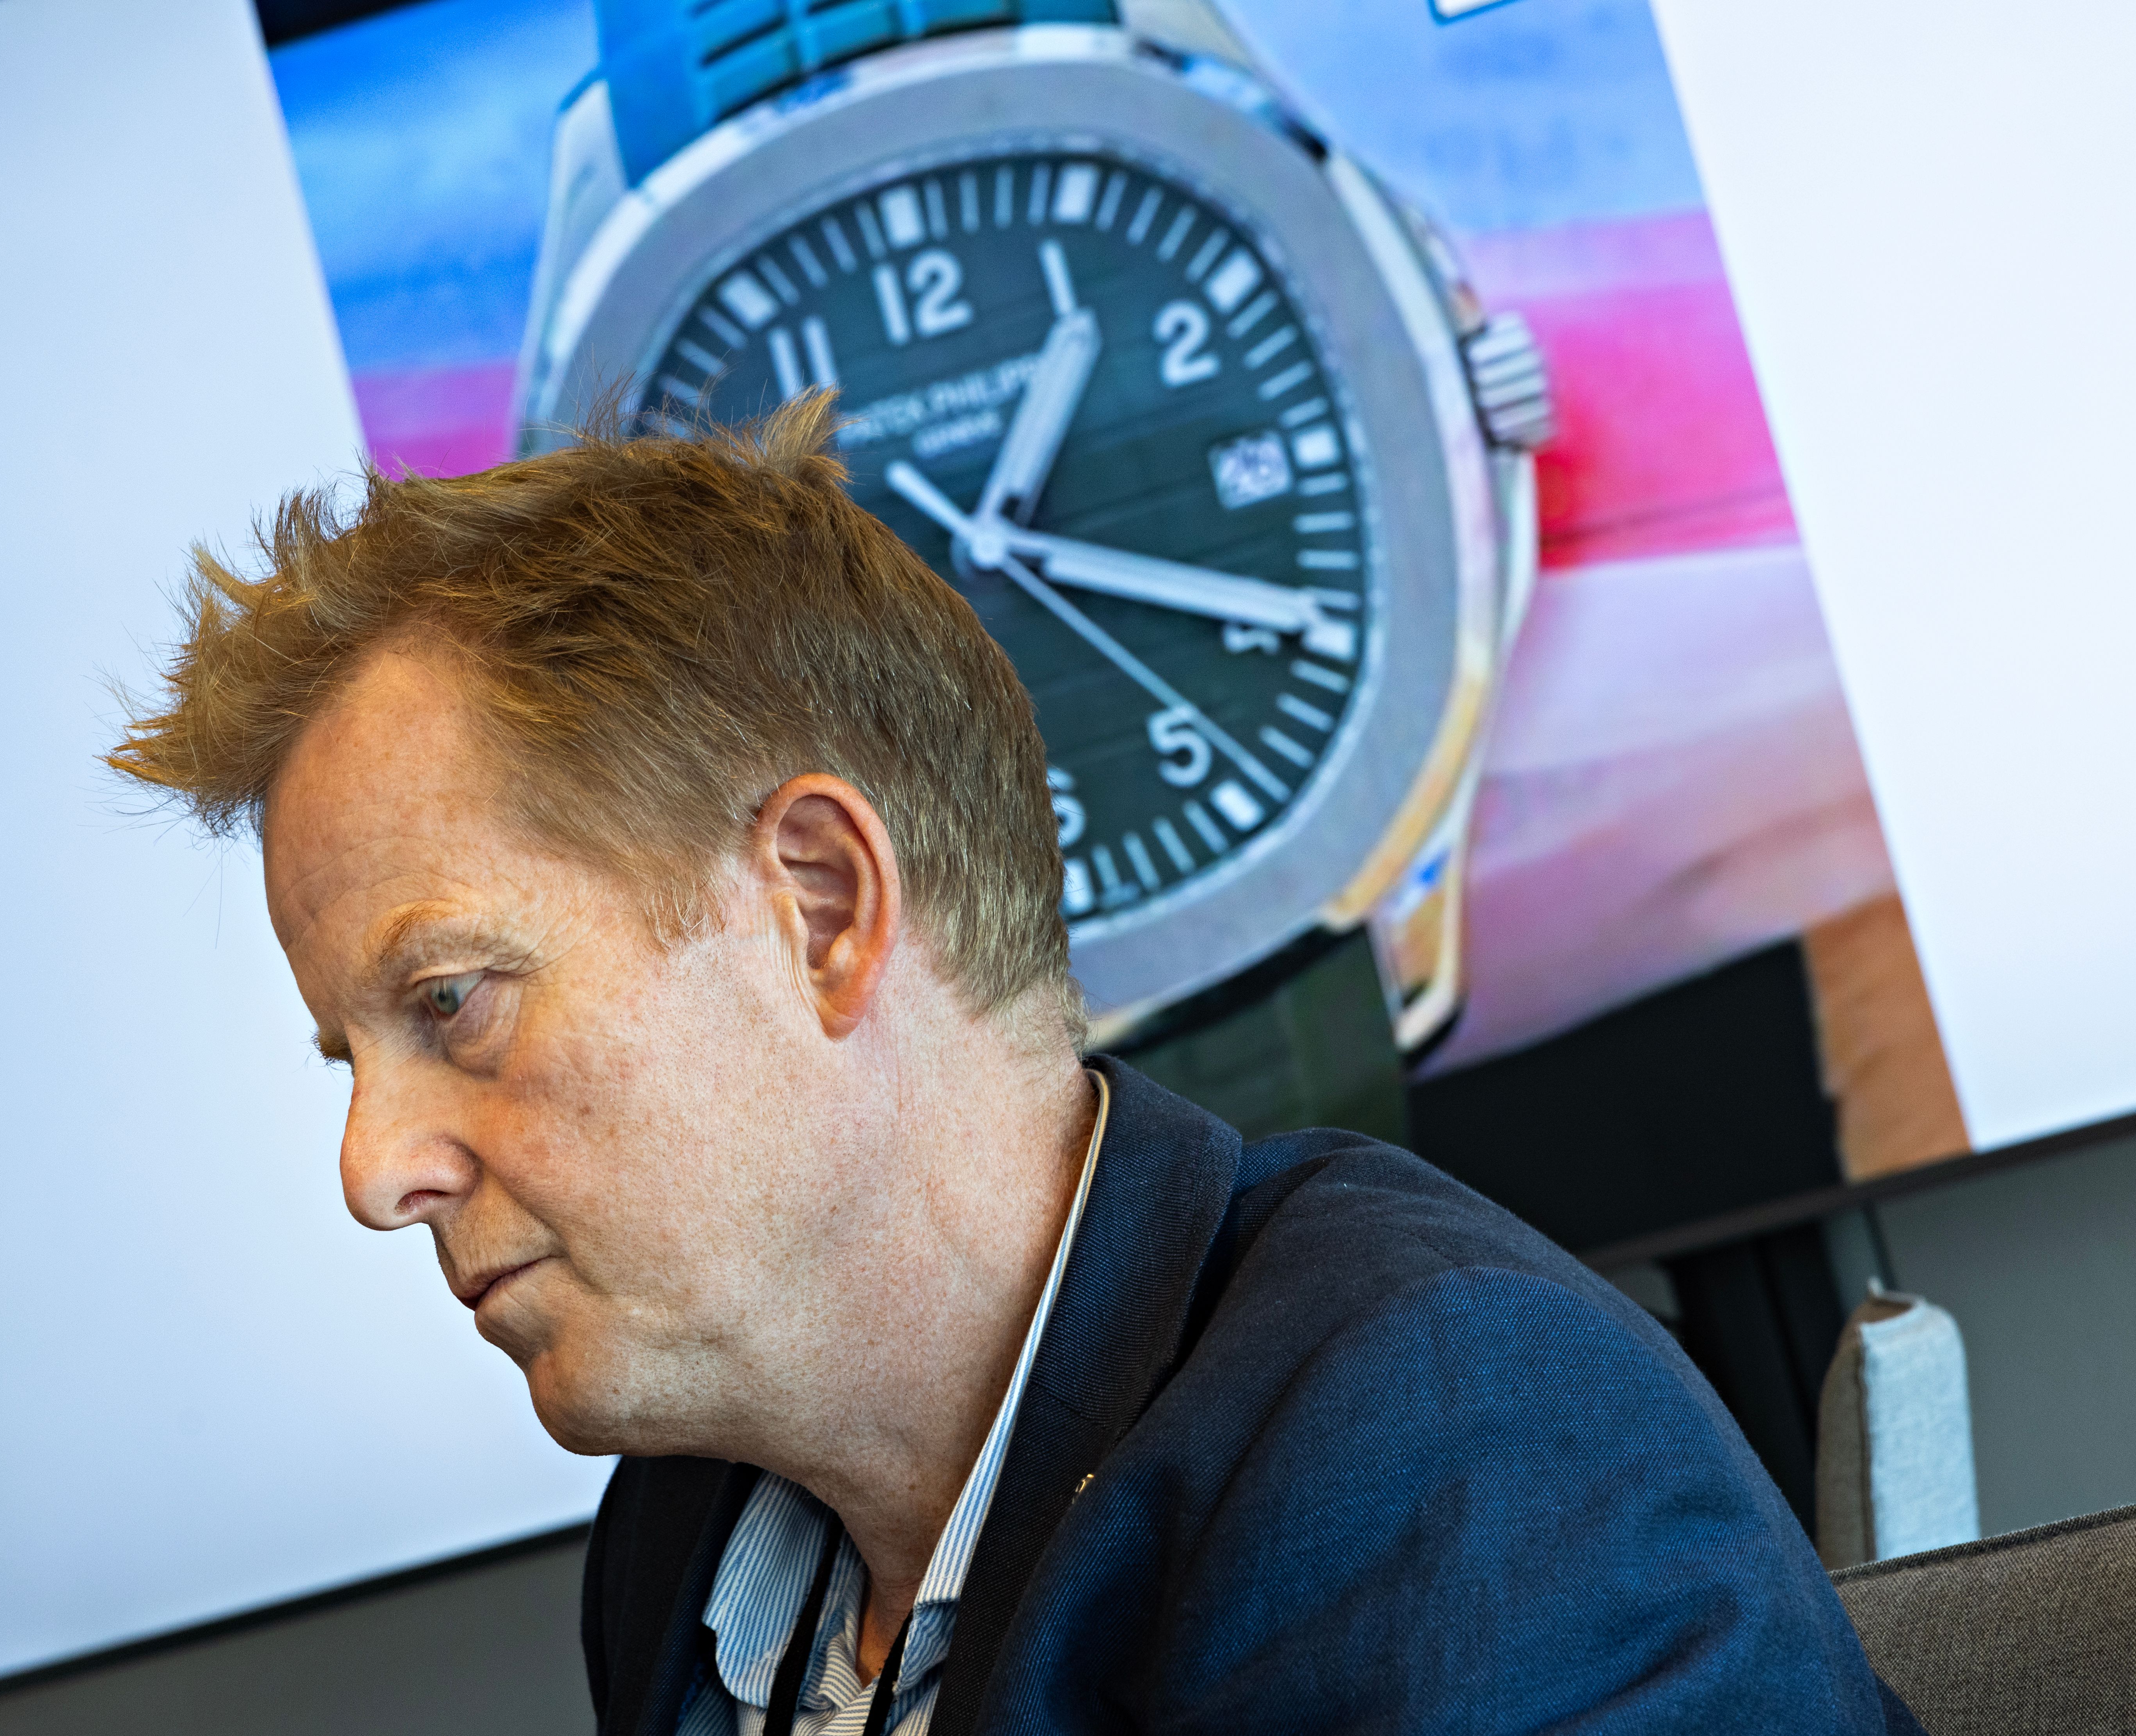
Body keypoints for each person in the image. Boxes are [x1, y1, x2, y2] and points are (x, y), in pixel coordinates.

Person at [108, 399, 1922, 1735]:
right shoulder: (682, 1547)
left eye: (451, 1005)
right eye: (348, 1056)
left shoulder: (1450, 1455)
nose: (374, 1169)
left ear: (820, 908)